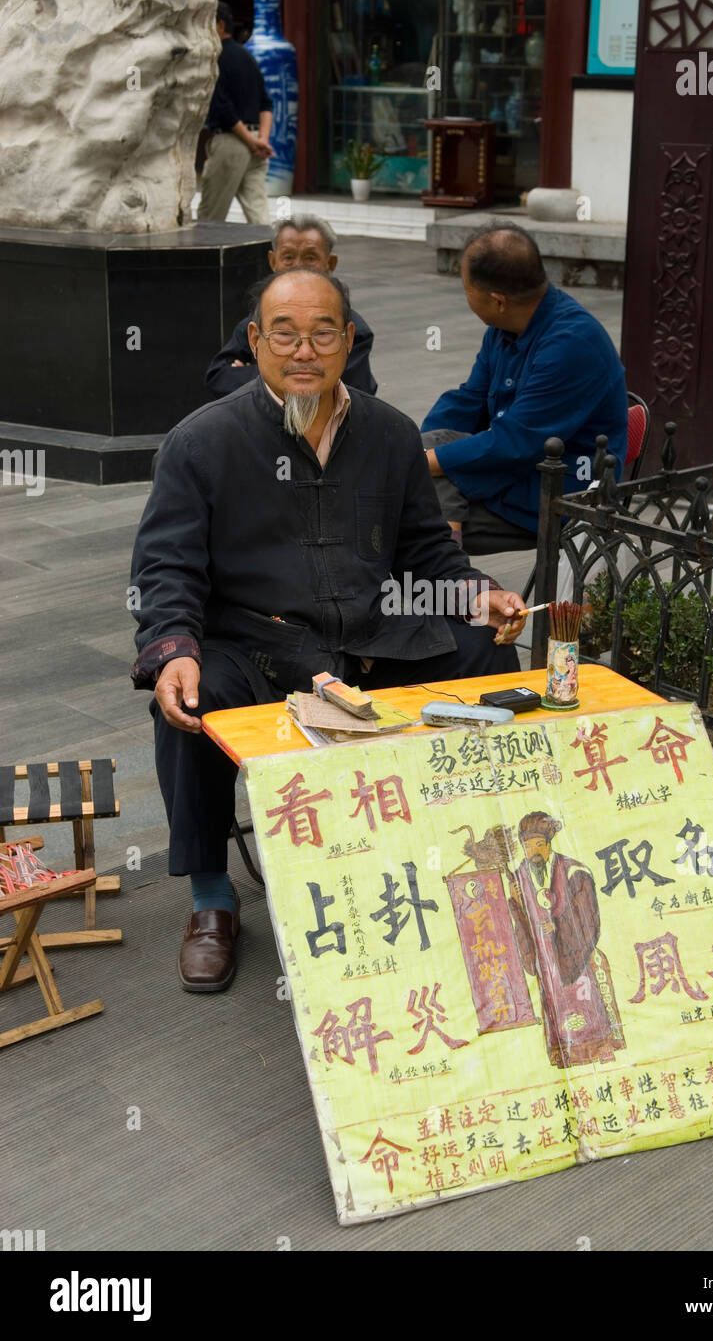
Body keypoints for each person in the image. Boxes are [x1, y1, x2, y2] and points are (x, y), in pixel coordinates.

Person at [130, 267, 526, 994]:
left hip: (371, 637)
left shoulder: (390, 434)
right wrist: (172, 650)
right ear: (255, 342)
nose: (303, 349)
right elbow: (167, 567)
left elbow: (427, 555)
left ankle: (449, 842)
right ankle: (213, 898)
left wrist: (479, 594)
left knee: (483, 651)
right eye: (284, 332)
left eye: (322, 332)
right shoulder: (201, 441)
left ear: (349, 341)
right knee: (192, 699)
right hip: (256, 645)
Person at [421, 223, 628, 547]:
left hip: (556, 491)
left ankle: (451, 575)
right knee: (420, 467)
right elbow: (468, 401)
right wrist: (420, 449)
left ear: (498, 300)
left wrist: (423, 463)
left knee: (409, 522)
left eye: (465, 288)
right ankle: (449, 561)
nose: (465, 295)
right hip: (511, 467)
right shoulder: (505, 327)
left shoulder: (572, 343)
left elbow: (515, 443)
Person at [205, 215, 377, 398]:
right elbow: (219, 377)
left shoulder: (353, 330)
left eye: (310, 258)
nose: (298, 267)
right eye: (288, 257)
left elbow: (353, 394)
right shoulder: (260, 318)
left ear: (330, 264)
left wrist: (259, 372)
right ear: (273, 262)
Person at [508, 811, 625, 1067]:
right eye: (527, 847)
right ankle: (564, 1053)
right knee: (554, 1002)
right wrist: (516, 904)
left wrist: (559, 925)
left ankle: (599, 1047)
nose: (533, 852)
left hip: (575, 956)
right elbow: (518, 918)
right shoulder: (519, 878)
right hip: (545, 959)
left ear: (549, 845)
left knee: (585, 999)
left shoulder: (573, 871)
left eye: (538, 845)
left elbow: (587, 914)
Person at [197, 3, 274, 225]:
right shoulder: (247, 57)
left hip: (232, 143)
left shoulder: (216, 59)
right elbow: (266, 104)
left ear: (220, 26)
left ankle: (206, 260)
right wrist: (262, 140)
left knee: (210, 219)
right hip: (256, 145)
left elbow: (223, 108)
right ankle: (271, 258)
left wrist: (251, 142)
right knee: (260, 220)